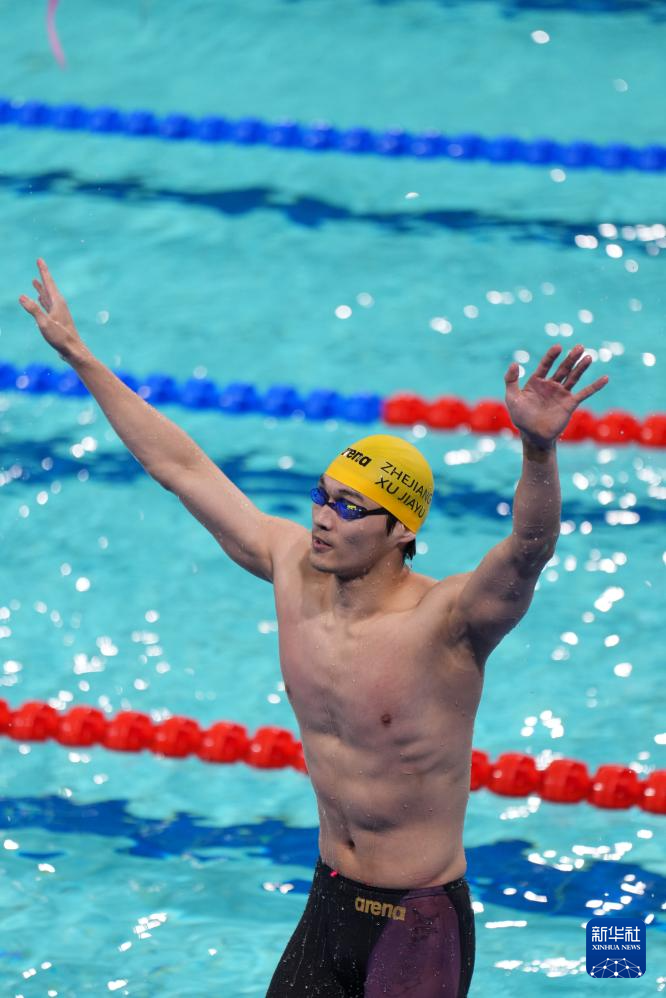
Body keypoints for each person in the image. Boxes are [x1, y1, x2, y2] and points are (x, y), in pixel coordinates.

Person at [20, 259, 609, 997]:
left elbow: (528, 550)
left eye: (351, 508)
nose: (324, 518)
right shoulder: (290, 567)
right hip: (328, 897)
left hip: (417, 922)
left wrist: (538, 450)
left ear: (401, 530)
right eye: (322, 496)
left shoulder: (447, 622)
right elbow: (182, 467)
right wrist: (80, 356)